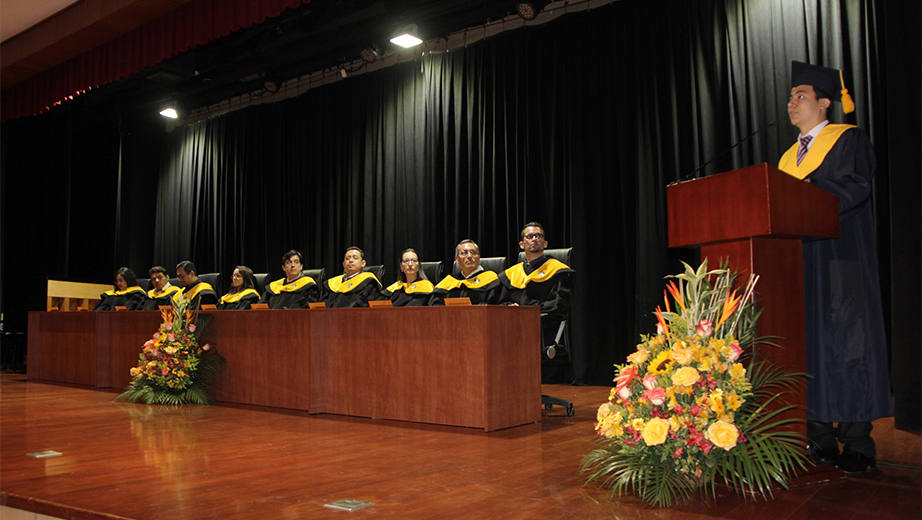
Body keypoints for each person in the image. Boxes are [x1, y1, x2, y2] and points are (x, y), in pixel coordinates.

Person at [778, 61, 892, 473]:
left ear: (826, 103)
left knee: (848, 344)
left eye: (801, 95)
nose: (792, 103)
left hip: (840, 258)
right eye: (790, 97)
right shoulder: (787, 158)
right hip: (798, 263)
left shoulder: (848, 140)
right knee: (807, 346)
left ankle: (858, 441)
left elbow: (855, 187)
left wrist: (810, 191)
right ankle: (819, 437)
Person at [498, 222, 574, 357]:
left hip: (542, 326)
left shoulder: (557, 271)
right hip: (511, 326)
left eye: (538, 236)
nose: (534, 239)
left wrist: (526, 311)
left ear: (545, 243)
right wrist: (510, 307)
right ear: (522, 244)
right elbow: (501, 302)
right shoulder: (511, 274)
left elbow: (557, 305)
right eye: (530, 236)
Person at [430, 239, 506, 305]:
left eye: (473, 252)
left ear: (478, 257)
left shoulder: (491, 280)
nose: (469, 256)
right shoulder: (448, 282)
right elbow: (436, 306)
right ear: (457, 259)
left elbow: (497, 306)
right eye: (464, 253)